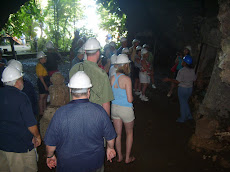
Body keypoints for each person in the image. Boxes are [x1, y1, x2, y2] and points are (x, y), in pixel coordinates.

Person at [45, 71, 116, 172]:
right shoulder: (99, 111)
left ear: (70, 90)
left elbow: (50, 144)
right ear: (88, 91)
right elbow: (110, 137)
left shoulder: (60, 113)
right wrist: (110, 148)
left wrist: (50, 156)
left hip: (68, 165)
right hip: (94, 163)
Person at [0, 66, 41, 171]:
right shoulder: (21, 97)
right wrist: (37, 136)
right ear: (17, 81)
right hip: (19, 147)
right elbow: (30, 124)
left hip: (2, 144)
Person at [69, 38, 114, 116]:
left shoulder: (74, 69)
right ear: (98, 53)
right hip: (94, 116)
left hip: (75, 113)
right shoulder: (102, 74)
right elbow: (106, 103)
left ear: (85, 52)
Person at [110, 54, 135, 164]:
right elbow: (130, 99)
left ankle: (119, 156)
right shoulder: (127, 79)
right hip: (126, 110)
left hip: (114, 109)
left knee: (118, 134)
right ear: (126, 65)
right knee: (129, 133)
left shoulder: (112, 78)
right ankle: (127, 158)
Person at [163, 55, 196, 122]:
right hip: (189, 89)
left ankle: (183, 118)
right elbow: (194, 79)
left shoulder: (182, 71)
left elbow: (177, 81)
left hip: (182, 89)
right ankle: (189, 116)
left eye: (183, 61)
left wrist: (169, 79)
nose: (182, 62)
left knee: (182, 103)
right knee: (185, 102)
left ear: (185, 62)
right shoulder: (192, 70)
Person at [36, 51, 50, 116]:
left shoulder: (42, 65)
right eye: (44, 58)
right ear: (40, 59)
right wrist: (45, 86)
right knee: (42, 97)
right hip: (42, 82)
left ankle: (44, 109)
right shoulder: (39, 66)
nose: (45, 59)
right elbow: (41, 77)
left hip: (45, 80)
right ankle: (41, 111)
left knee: (45, 96)